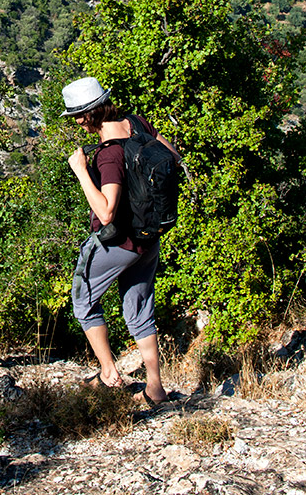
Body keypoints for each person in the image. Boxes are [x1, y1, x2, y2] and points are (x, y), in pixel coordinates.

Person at [61, 76, 180, 406]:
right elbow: (172, 156)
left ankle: (108, 373)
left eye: (76, 117)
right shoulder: (138, 123)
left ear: (87, 114)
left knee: (83, 300)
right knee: (139, 308)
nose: (77, 124)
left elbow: (107, 210)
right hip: (148, 238)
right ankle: (155, 388)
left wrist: (82, 171)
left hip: (118, 242)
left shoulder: (109, 154)